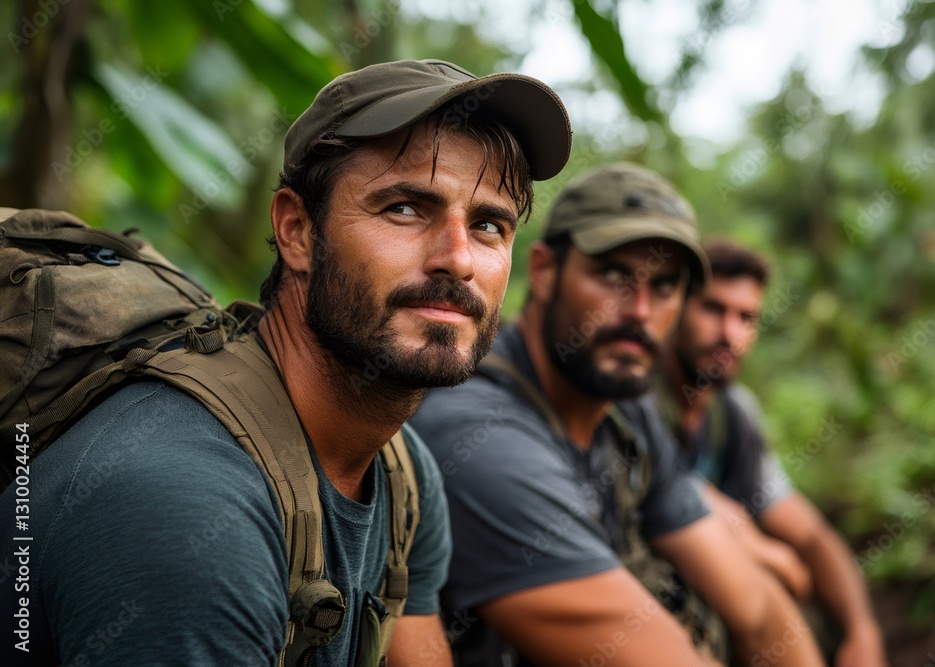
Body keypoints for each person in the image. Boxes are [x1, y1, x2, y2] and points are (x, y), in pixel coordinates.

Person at [0, 59, 572, 666]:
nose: (458, 259)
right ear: (297, 231)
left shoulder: (403, 472)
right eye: (405, 208)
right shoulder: (188, 513)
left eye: (488, 224)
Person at [410, 162, 826, 666]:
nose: (640, 311)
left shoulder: (629, 410)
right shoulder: (476, 429)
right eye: (612, 275)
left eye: (667, 286)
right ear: (543, 271)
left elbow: (758, 611)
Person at [656, 240, 888, 667]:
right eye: (713, 309)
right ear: (676, 307)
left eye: (746, 318)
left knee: (822, 615)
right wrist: (761, 549)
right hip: (658, 600)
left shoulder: (734, 414)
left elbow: (813, 537)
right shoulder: (637, 391)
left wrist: (863, 632)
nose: (730, 333)